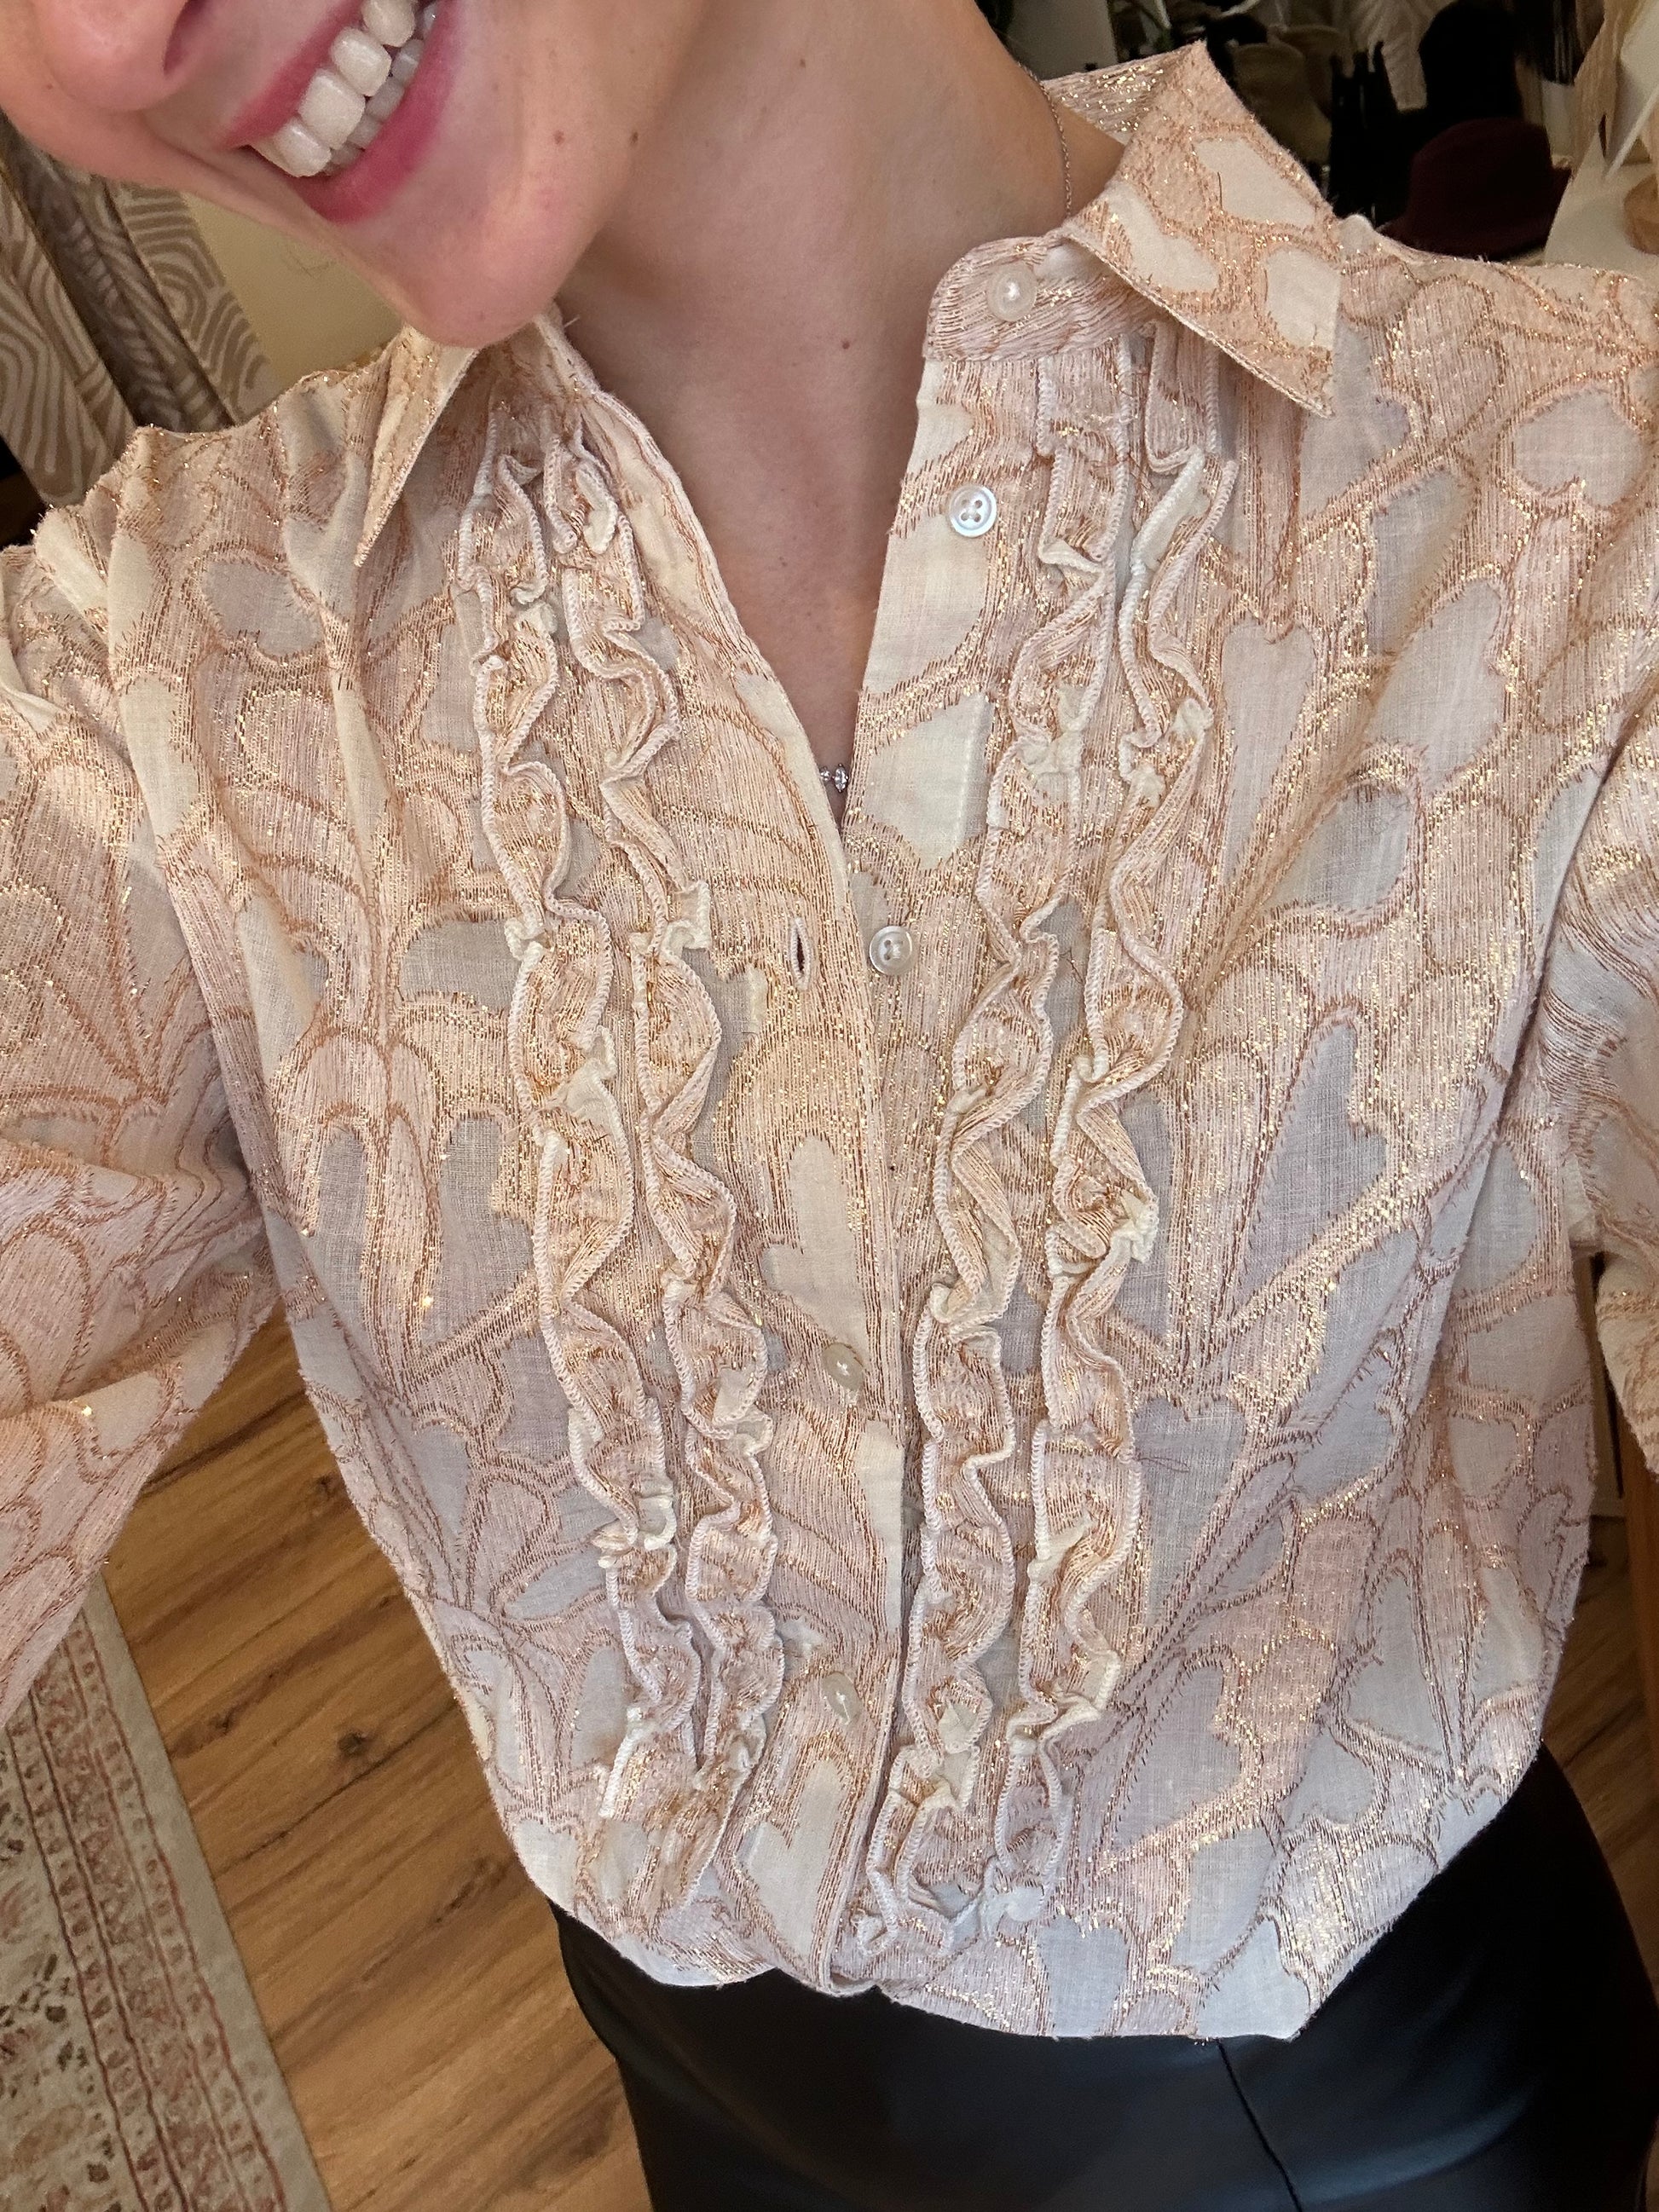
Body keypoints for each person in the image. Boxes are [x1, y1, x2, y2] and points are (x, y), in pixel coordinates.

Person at [0, 2, 1656, 2204]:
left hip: (1336, 2131)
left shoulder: (1572, 510)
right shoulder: (165, 674)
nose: (105, 31)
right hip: (711, 2089)